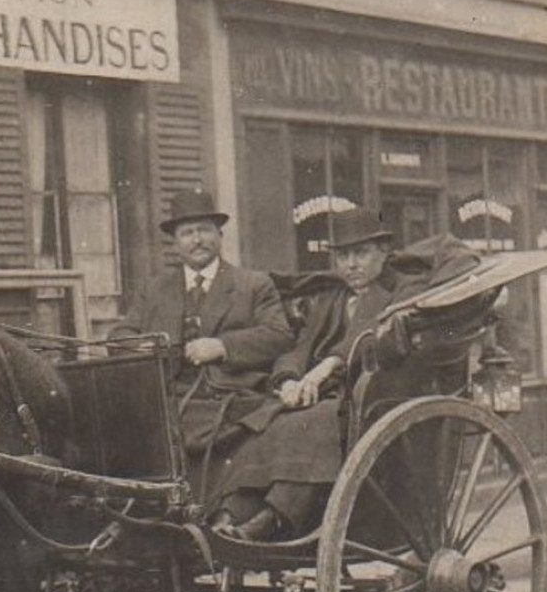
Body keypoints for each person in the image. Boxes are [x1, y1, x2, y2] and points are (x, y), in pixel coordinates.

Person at [205, 209, 481, 540]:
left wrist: (325, 369)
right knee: (264, 420)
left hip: (374, 397)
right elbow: (299, 345)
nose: (350, 265)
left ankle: (274, 519)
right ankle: (231, 516)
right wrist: (289, 379)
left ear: (382, 252)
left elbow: (374, 337)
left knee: (313, 422)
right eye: (343, 256)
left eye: (360, 254)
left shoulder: (406, 290)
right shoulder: (331, 297)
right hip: (321, 395)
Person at [109, 188, 292, 463]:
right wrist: (143, 347)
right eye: (186, 233)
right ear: (174, 243)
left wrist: (222, 346)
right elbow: (119, 336)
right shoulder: (154, 290)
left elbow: (279, 335)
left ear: (220, 235)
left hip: (231, 401)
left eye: (204, 230)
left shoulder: (253, 284)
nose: (196, 240)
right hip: (169, 402)